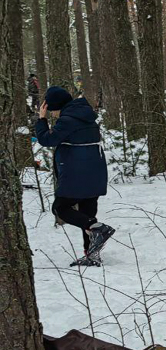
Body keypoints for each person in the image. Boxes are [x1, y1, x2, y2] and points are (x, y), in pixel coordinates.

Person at [35, 86, 114, 267]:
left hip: (76, 174)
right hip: (95, 172)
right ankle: (92, 254)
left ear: (55, 106)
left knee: (61, 208)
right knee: (87, 213)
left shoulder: (68, 120)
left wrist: (41, 119)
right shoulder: (86, 116)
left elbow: (47, 139)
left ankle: (97, 228)